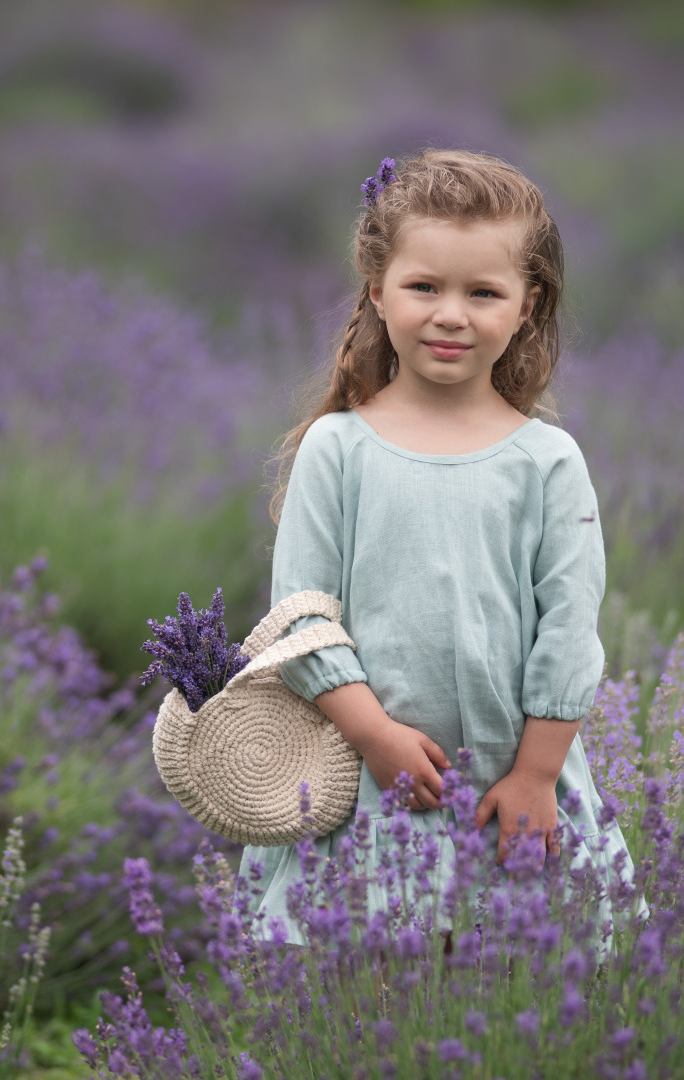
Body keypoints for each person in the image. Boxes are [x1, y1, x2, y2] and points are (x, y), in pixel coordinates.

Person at [241, 148, 637, 944]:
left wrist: (534, 775)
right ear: (377, 294)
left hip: (510, 781)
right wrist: (374, 737)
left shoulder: (545, 462)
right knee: (362, 984)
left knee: (520, 982)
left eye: (482, 292)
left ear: (527, 305)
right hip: (370, 781)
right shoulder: (338, 450)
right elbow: (300, 619)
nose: (450, 314)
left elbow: (568, 630)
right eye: (424, 286)